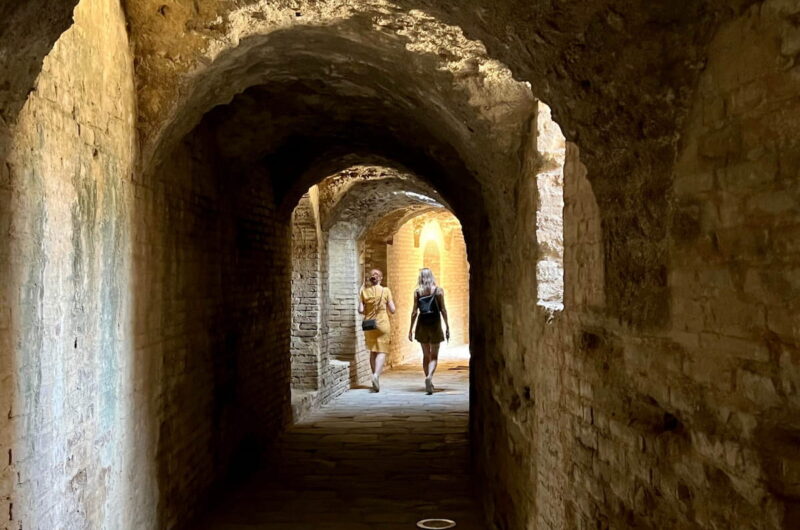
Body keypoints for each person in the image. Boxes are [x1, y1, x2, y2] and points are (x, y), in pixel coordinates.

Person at [408, 268, 450, 394]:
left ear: (420, 278)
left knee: (426, 355)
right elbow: (443, 309)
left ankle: (428, 381)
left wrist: (410, 329)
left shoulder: (417, 292)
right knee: (434, 355)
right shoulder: (438, 291)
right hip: (435, 324)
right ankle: (429, 377)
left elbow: (414, 312)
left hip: (422, 324)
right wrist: (447, 326)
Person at [359, 269, 396, 392]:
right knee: (382, 351)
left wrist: (363, 300)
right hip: (383, 324)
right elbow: (392, 309)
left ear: (370, 279)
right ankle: (376, 375)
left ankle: (375, 377)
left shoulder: (364, 292)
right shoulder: (386, 291)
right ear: (380, 278)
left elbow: (360, 310)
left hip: (369, 325)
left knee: (373, 351)